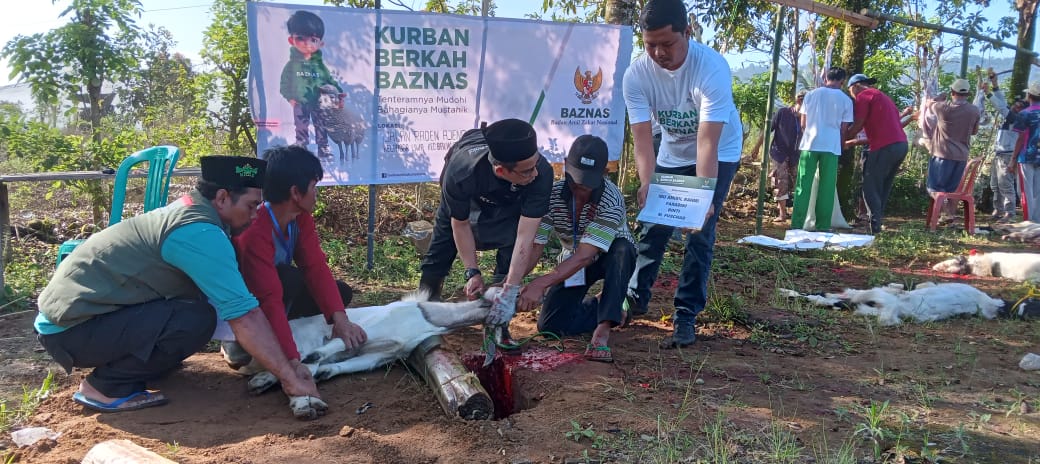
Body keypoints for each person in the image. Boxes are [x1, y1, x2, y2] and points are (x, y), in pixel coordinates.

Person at [35, 156, 324, 414]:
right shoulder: (199, 232)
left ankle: (142, 366)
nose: (254, 215)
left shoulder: (193, 210)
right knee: (194, 320)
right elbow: (244, 315)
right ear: (223, 198)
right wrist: (289, 376)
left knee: (193, 309)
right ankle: (105, 387)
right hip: (71, 330)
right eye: (251, 205)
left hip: (83, 317)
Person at [622, 0, 743, 348]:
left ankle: (686, 314)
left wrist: (704, 194)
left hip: (719, 152)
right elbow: (642, 138)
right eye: (650, 44)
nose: (659, 52)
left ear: (687, 32)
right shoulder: (636, 75)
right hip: (672, 152)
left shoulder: (711, 69)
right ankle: (635, 298)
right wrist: (647, 183)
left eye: (667, 43)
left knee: (699, 233)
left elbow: (707, 141)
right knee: (653, 227)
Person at [229, 145, 366, 368]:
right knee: (287, 279)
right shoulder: (255, 230)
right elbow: (269, 298)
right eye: (314, 187)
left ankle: (284, 329)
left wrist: (341, 320)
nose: (316, 194)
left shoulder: (300, 218)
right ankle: (237, 342)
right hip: (249, 302)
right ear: (295, 193)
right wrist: (292, 361)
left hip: (274, 291)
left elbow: (316, 267)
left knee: (340, 293)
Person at [417, 118, 553, 332]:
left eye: (535, 165)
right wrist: (472, 272)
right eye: (527, 171)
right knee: (441, 246)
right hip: (467, 195)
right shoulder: (461, 172)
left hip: (513, 200)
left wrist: (509, 290)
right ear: (501, 171)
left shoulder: (541, 173)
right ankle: (424, 313)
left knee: (511, 243)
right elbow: (460, 225)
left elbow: (525, 237)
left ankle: (498, 317)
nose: (534, 173)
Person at [516, 135, 636, 362]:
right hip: (573, 261)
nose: (580, 191)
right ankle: (610, 306)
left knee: (622, 250)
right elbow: (536, 245)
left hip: (605, 257)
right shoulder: (551, 195)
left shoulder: (612, 200)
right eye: (575, 183)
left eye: (587, 185)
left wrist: (540, 283)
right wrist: (515, 282)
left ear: (603, 174)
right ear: (565, 167)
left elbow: (585, 255)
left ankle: (603, 330)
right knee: (550, 324)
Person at [845, 74, 909, 234]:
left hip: (884, 147)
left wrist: (840, 138)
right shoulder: (885, 99)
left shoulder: (863, 96)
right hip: (900, 145)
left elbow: (858, 125)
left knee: (869, 186)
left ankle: (873, 226)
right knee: (882, 186)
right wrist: (851, 142)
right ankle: (877, 222)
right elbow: (876, 134)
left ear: (855, 87)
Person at [792, 67, 853, 232]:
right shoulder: (846, 100)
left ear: (826, 78)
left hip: (810, 144)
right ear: (843, 81)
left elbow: (803, 124)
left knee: (803, 185)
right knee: (826, 187)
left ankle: (797, 224)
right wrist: (842, 146)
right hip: (831, 146)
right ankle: (822, 226)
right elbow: (844, 129)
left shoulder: (811, 95)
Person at [280, 10, 342, 158]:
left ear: (320, 43)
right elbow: (284, 83)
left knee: (321, 124)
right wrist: (290, 97)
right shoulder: (291, 65)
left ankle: (323, 147)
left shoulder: (320, 67)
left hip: (320, 102)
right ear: (292, 40)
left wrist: (338, 94)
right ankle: (302, 145)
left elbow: (330, 81)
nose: (307, 43)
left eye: (313, 40)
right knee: (301, 125)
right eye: (301, 38)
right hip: (300, 102)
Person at [927, 79, 980, 225]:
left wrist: (939, 98)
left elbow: (929, 104)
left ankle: (946, 213)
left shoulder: (943, 108)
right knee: (953, 190)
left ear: (952, 92)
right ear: (968, 94)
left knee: (934, 187)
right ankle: (949, 218)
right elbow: (974, 131)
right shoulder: (974, 110)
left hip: (942, 155)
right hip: (961, 156)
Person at [981, 73, 1026, 223]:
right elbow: (1003, 102)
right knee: (995, 184)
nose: (1015, 106)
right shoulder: (1011, 115)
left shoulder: (1015, 118)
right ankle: (998, 209)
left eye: (1019, 106)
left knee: (1005, 184)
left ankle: (1009, 212)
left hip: (1007, 154)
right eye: (1016, 104)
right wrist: (995, 84)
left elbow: (1001, 106)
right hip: (1000, 153)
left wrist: (988, 94)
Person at [768, 90, 805, 223]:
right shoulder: (783, 113)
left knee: (798, 183)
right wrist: (756, 148)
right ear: (798, 100)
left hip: (797, 153)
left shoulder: (807, 117)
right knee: (781, 181)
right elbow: (768, 129)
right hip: (779, 152)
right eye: (802, 99)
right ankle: (782, 214)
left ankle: (797, 214)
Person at [1010, 82, 1040, 222]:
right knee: (1038, 192)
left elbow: (1021, 138)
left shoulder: (1024, 114)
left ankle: (1029, 221)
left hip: (1026, 156)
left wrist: (1013, 159)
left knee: (1025, 192)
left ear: (1029, 95)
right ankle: (1037, 222)